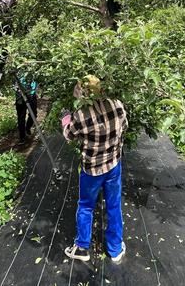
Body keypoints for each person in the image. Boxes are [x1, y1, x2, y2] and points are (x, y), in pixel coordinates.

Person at [62, 75, 128, 264]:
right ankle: (115, 250)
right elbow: (124, 128)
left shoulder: (81, 115)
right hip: (114, 164)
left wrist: (66, 117)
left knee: (86, 206)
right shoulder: (117, 104)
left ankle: (82, 247)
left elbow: (69, 135)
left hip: (92, 170)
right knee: (114, 205)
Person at [14, 75, 37, 142]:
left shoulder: (33, 70)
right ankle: (22, 137)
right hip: (20, 96)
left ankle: (27, 128)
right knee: (21, 118)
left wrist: (31, 93)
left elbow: (35, 81)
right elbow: (15, 84)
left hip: (31, 95)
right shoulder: (18, 71)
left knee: (34, 114)